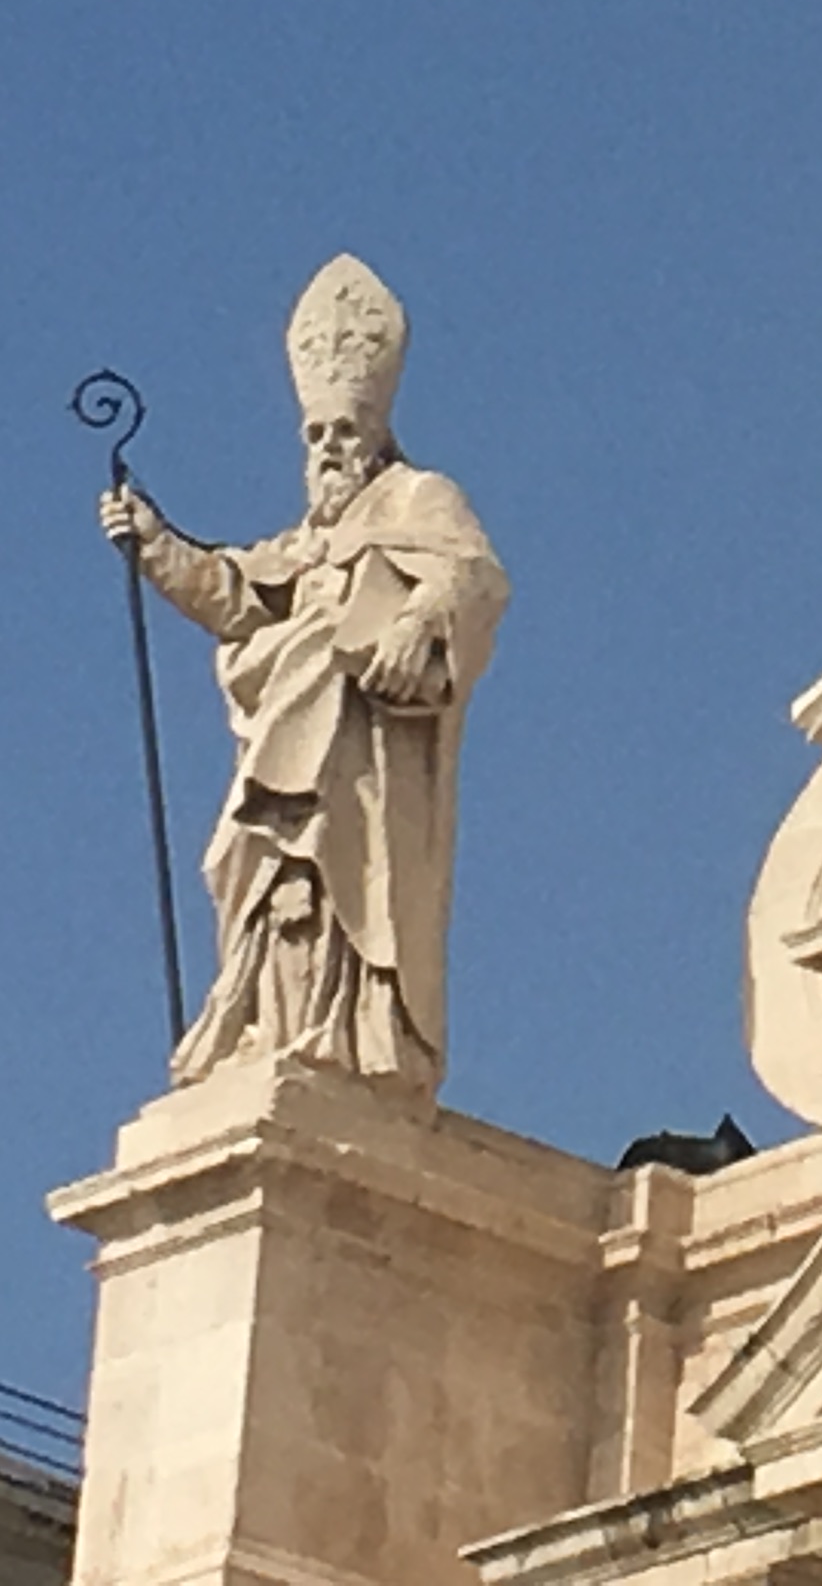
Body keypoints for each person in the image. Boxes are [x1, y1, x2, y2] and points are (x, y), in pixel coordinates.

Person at [98, 254, 506, 1094]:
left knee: (342, 878)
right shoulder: (301, 546)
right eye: (316, 435)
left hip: (369, 770)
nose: (328, 449)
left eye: (344, 433)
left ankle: (353, 1034)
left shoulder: (421, 501)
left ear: (377, 435)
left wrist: (416, 621)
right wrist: (154, 542)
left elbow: (474, 579)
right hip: (293, 761)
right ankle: (272, 1024)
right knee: (265, 870)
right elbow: (236, 593)